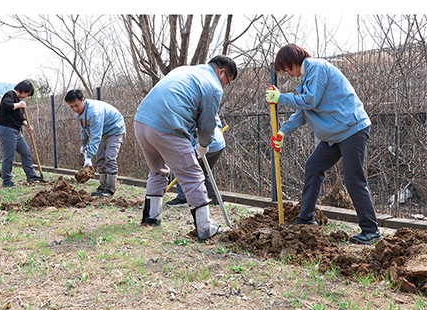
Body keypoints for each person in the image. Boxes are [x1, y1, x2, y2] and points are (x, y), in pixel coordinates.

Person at [265, 43, 380, 245]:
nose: (288, 74)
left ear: (293, 61)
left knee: (353, 178)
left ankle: (371, 230)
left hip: (352, 129)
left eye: (286, 69)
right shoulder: (306, 80)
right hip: (334, 135)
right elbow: (303, 111)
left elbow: (310, 101)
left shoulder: (317, 68)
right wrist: (283, 132)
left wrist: (281, 98)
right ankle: (306, 218)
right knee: (313, 166)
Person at [133, 55, 237, 241]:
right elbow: (207, 125)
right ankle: (204, 228)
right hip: (167, 125)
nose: (224, 87)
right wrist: (204, 145)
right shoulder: (213, 86)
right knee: (193, 175)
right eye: (227, 82)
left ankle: (151, 217)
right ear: (222, 72)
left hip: (141, 121)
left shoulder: (184, 70)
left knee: (157, 171)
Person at [65, 89, 125, 197]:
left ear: (83, 100)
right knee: (100, 159)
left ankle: (110, 189)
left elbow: (96, 136)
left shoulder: (94, 112)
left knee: (110, 158)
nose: (74, 109)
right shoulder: (79, 113)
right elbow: (84, 130)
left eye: (76, 105)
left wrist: (89, 157)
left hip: (115, 130)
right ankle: (102, 187)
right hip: (102, 132)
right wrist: (83, 144)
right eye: (71, 106)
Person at [167, 115, 226, 207]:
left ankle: (182, 199)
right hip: (219, 143)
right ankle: (217, 199)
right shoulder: (204, 105)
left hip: (206, 144)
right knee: (204, 172)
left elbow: (186, 138)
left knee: (183, 167)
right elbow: (216, 121)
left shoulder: (185, 113)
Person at [0, 80, 44, 187]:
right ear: (22, 90)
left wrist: (26, 124)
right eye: (27, 93)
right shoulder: (10, 94)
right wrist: (19, 105)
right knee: (9, 155)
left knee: (26, 151)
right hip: (6, 129)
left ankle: (30, 174)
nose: (26, 96)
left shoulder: (18, 101)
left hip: (16, 130)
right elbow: (5, 106)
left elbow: (19, 118)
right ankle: (7, 180)